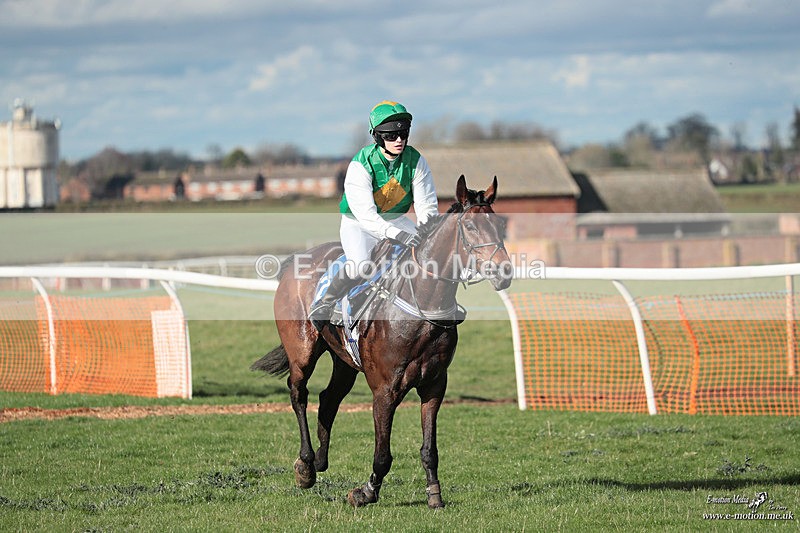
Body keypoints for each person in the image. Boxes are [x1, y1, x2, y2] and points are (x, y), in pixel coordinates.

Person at [309, 100, 439, 330]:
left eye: (402, 133)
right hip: (359, 223)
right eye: (391, 135)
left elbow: (426, 205)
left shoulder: (416, 161)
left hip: (396, 219)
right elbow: (367, 216)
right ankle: (326, 302)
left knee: (430, 255)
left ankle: (440, 307)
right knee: (360, 265)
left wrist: (427, 233)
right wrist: (398, 235)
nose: (398, 140)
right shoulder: (361, 164)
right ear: (377, 137)